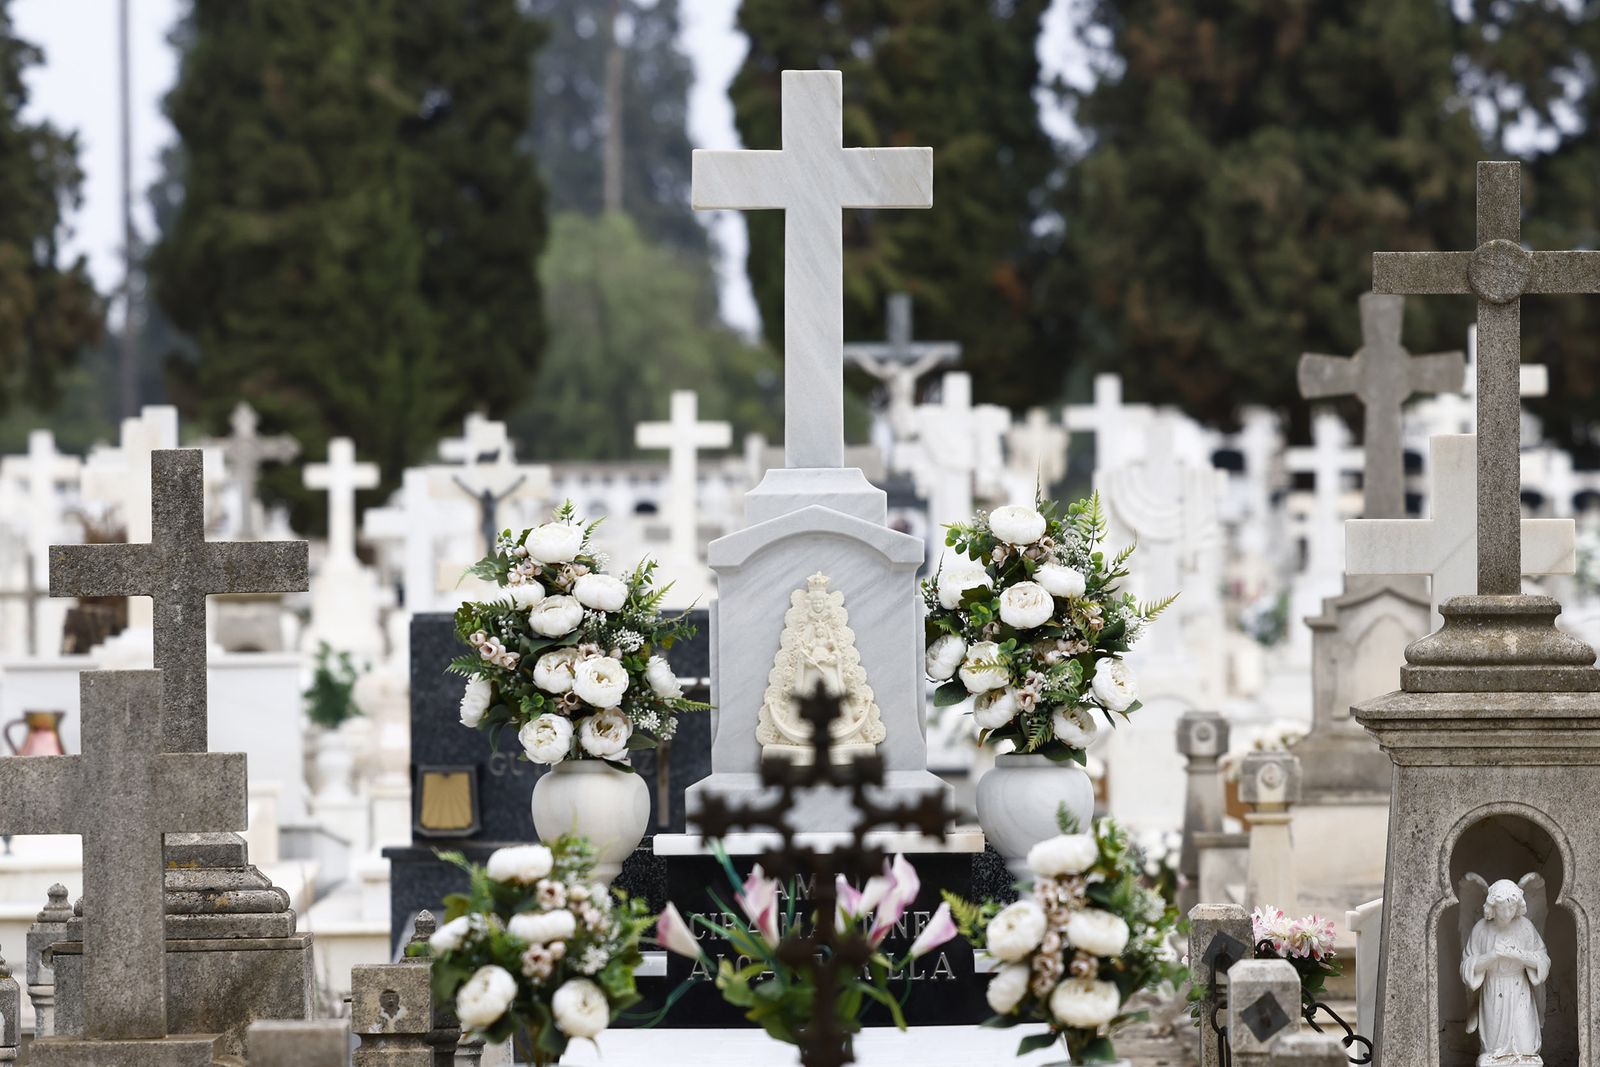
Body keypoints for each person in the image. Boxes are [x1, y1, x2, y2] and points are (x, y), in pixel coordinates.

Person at [1461, 878, 1550, 1065]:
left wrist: (1520, 956)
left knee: (1526, 1050)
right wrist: (1492, 955)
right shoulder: (1481, 930)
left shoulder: (1525, 927)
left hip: (1520, 991)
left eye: (1512, 907)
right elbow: (1467, 966)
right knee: (1493, 1053)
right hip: (1493, 992)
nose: (1508, 913)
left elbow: (1543, 960)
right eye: (1503, 908)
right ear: (1493, 906)